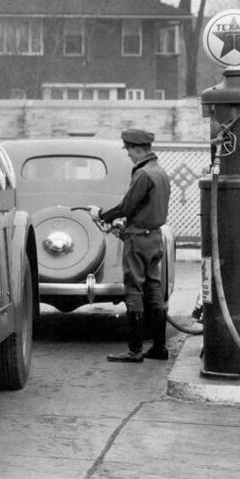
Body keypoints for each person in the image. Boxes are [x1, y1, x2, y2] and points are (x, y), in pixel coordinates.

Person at [91, 129, 171, 363]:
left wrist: (103, 215)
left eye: (129, 150)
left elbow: (127, 206)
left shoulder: (144, 174)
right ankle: (159, 347)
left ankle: (135, 350)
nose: (128, 155)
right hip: (154, 237)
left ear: (137, 149)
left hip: (138, 240)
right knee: (154, 289)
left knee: (134, 290)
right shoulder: (161, 172)